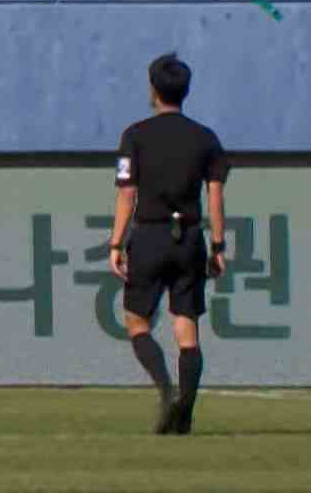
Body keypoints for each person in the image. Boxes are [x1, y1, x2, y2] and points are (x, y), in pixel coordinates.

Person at [108, 54, 230, 435]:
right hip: (189, 237)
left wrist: (116, 242)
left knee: (137, 320)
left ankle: (165, 388)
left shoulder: (135, 135)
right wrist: (218, 245)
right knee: (186, 326)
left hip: (149, 234)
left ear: (153, 89)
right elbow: (215, 196)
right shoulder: (206, 138)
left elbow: (127, 193)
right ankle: (185, 409)